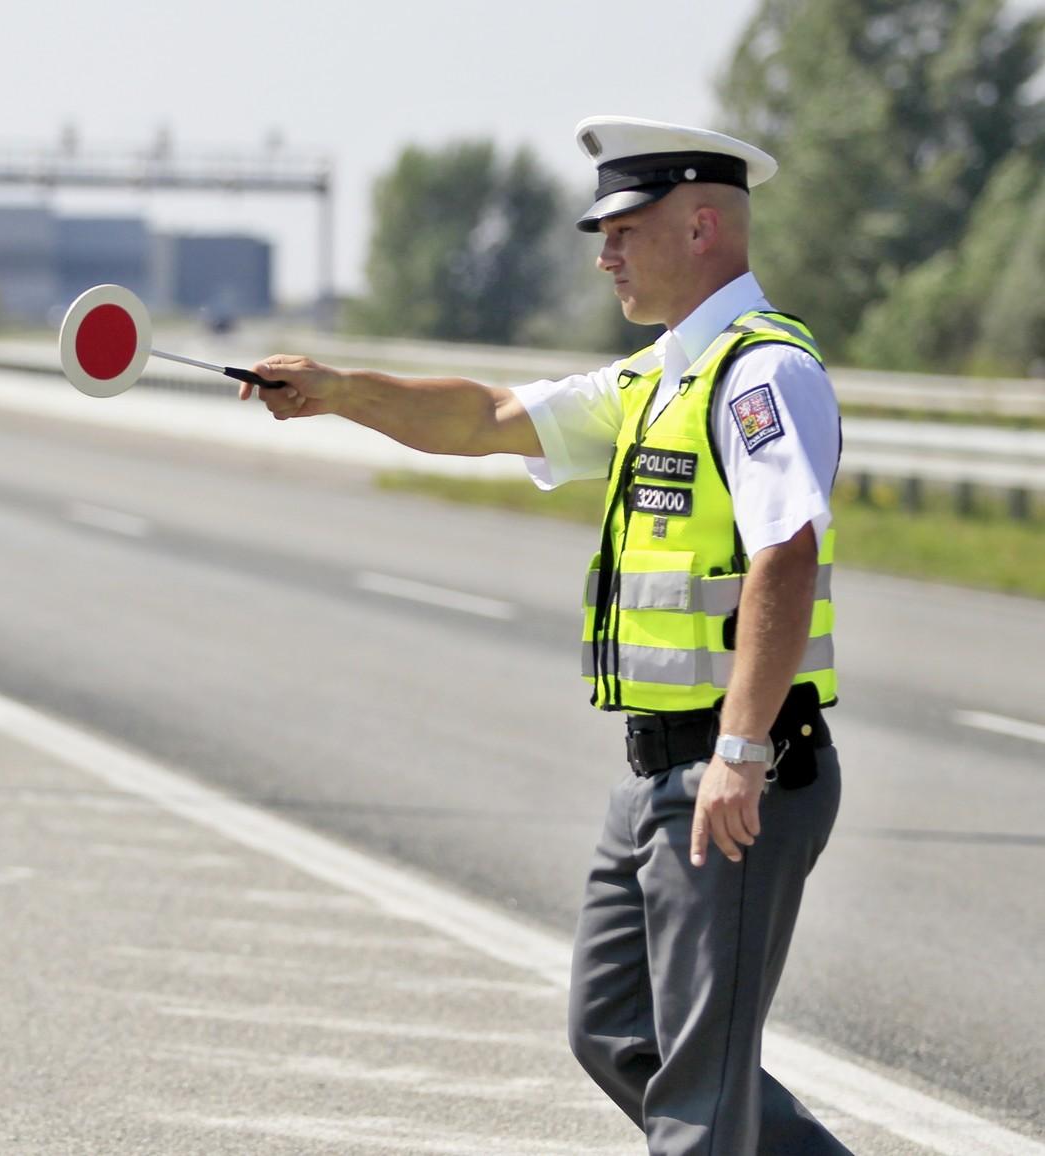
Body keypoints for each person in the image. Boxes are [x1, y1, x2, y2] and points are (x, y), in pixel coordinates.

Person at [240, 115, 848, 1155]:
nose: (603, 249)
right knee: (617, 1028)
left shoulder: (758, 374)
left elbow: (784, 553)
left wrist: (740, 753)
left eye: (624, 226)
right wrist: (338, 392)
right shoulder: (657, 376)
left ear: (703, 226)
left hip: (739, 768)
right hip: (656, 772)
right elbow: (480, 417)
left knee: (698, 1100)